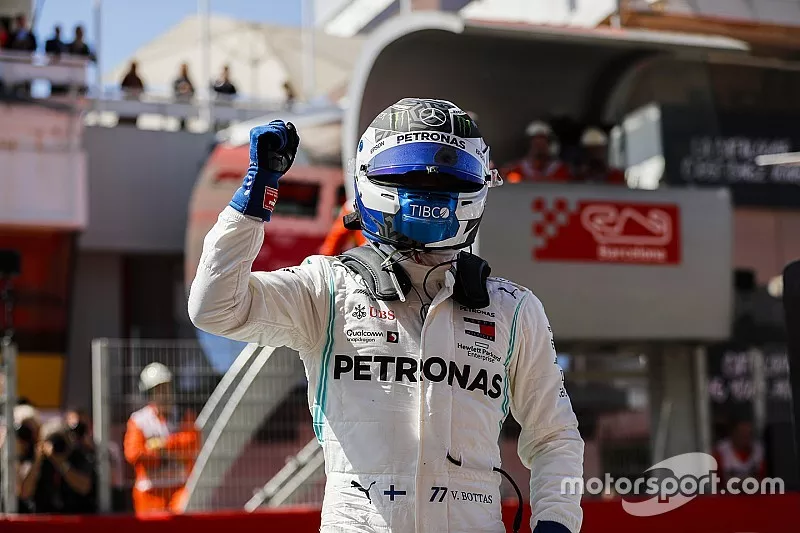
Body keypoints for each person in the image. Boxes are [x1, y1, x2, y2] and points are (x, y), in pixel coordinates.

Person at [189, 98, 584, 533]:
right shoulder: (328, 289)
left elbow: (554, 437)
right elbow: (214, 306)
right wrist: (255, 193)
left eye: (448, 181)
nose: (429, 193)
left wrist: (556, 522)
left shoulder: (513, 308)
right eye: (411, 177)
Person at [123, 362, 200, 514]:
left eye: (167, 389)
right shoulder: (138, 420)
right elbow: (133, 453)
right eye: (158, 390)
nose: (164, 395)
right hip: (149, 493)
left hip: (180, 489)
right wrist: (165, 456)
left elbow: (192, 442)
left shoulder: (185, 415)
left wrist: (162, 444)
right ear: (149, 394)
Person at [18, 419, 96, 514]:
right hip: (42, 517)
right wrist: (37, 461)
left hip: (72, 516)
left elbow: (84, 487)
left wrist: (61, 463)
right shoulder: (36, 458)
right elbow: (25, 492)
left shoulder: (77, 456)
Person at [502, 121, 572, 183]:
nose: (539, 146)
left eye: (543, 141)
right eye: (535, 142)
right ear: (528, 143)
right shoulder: (515, 169)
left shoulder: (561, 170)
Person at [713, 418, 765, 484]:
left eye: (749, 434)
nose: (746, 437)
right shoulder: (721, 450)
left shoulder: (758, 449)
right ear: (733, 433)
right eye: (742, 433)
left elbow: (763, 479)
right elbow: (715, 481)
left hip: (753, 491)